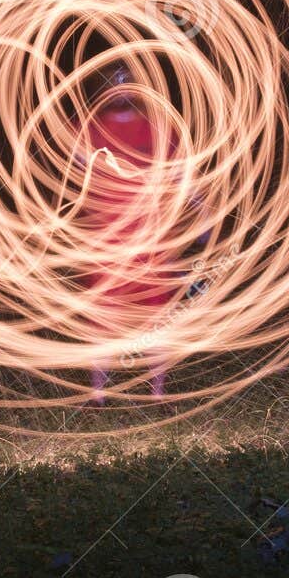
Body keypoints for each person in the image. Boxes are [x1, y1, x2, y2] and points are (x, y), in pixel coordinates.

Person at [70, 71, 185, 402]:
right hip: (108, 240)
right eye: (114, 79)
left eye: (126, 79)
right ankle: (97, 395)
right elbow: (74, 164)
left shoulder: (159, 128)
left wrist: (203, 214)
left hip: (150, 239)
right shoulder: (88, 129)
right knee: (103, 317)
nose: (120, 85)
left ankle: (157, 394)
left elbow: (179, 173)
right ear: (102, 87)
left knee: (157, 318)